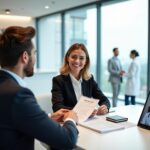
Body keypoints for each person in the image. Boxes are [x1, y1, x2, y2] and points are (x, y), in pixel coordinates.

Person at [0, 26, 78, 150]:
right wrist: (71, 120)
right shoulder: (18, 95)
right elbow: (66, 141)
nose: (35, 58)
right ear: (25, 57)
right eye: (34, 53)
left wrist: (48, 116)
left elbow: (13, 118)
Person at [51, 43, 110, 115]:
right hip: (68, 122)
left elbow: (104, 99)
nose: (77, 61)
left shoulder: (89, 79)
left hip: (87, 122)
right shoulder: (58, 80)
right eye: (73, 57)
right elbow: (57, 107)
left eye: (81, 58)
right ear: (67, 58)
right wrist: (85, 111)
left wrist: (105, 107)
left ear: (86, 61)